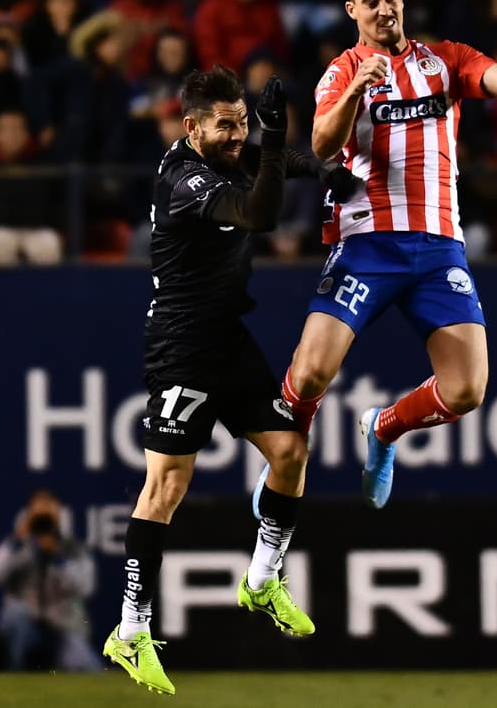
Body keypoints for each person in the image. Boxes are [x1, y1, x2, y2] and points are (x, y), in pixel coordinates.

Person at [270, 0, 497, 510]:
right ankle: (284, 466)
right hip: (366, 243)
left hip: (439, 247)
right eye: (369, 1)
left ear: (403, 0)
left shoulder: (447, 60)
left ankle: (384, 429)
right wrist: (357, 91)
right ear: (353, 9)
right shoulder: (343, 69)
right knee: (310, 372)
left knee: (468, 388)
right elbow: (322, 145)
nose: (382, 10)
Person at [101, 66, 361, 696]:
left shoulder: (224, 150)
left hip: (228, 340)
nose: (237, 133)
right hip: (182, 348)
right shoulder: (186, 179)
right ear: (191, 127)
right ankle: (130, 631)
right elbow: (261, 212)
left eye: (242, 119)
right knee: (166, 484)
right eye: (226, 124)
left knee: (291, 450)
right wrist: (274, 146)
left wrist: (319, 168)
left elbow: (281, 163)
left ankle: (263, 577)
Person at [0, 489, 99, 672]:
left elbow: (86, 588)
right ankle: (13, 673)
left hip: (62, 623)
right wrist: (17, 543)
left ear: (58, 515)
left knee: (86, 667)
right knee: (16, 616)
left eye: (48, 511)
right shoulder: (17, 546)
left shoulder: (71, 549)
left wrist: (58, 560)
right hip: (25, 621)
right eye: (38, 512)